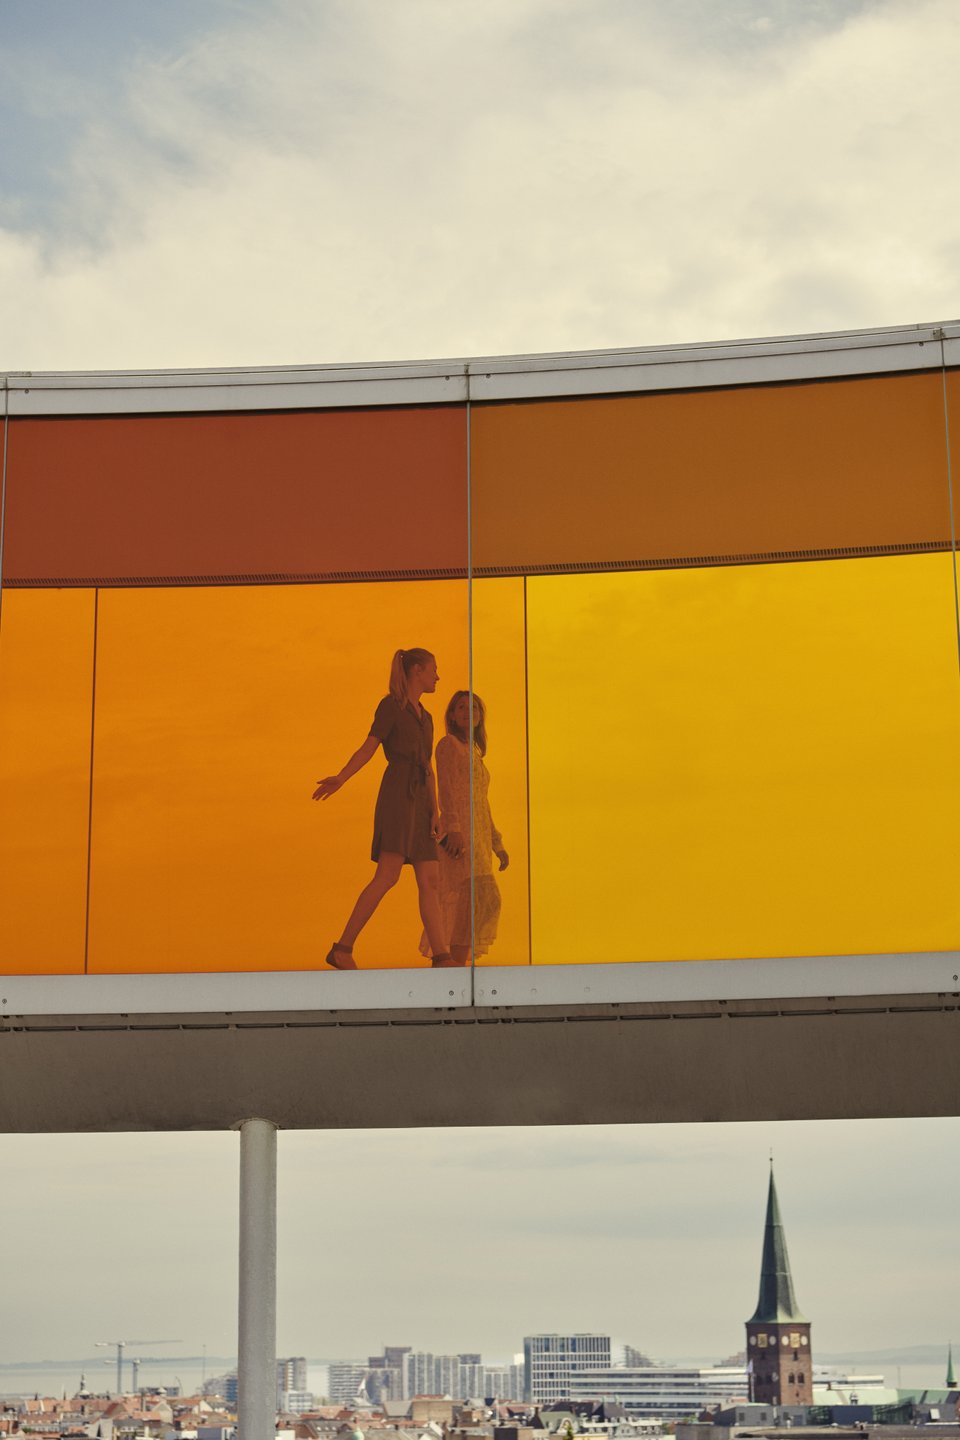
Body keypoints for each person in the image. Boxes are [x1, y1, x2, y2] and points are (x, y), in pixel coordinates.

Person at [313, 647, 451, 969]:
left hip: (421, 799)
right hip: (397, 795)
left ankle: (442, 957)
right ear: (417, 671)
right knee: (388, 875)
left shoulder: (427, 718)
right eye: (433, 670)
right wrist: (342, 777)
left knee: (430, 879)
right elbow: (369, 747)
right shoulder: (391, 706)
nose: (437, 677)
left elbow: (427, 766)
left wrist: (436, 810)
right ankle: (343, 947)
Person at [421, 690, 509, 966]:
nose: (467, 712)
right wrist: (454, 828)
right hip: (461, 835)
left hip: (480, 838)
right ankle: (452, 964)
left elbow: (483, 802)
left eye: (473, 708)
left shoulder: (475, 752)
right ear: (452, 715)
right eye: (461, 708)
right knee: (467, 901)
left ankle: (456, 964)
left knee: (483, 900)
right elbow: (445, 789)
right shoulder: (449, 745)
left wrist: (497, 844)